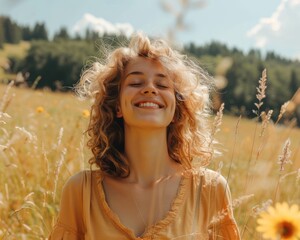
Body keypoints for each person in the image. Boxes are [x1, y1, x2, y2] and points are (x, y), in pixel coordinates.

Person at [49, 33, 240, 240]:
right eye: (136, 82)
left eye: (162, 85)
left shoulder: (210, 190)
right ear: (117, 105)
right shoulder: (81, 191)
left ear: (176, 108)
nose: (149, 89)